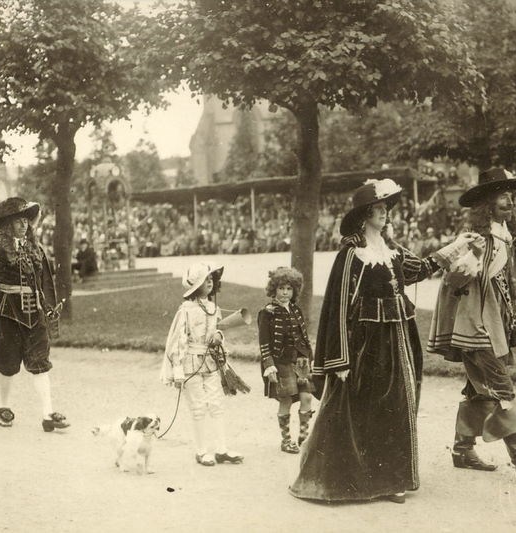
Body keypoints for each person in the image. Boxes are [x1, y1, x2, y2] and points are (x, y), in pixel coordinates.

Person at [289, 178, 443, 504]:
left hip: (398, 338)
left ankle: (392, 480)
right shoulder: (352, 254)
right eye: (378, 208)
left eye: (386, 208)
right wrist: (340, 359)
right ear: (364, 215)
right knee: (362, 407)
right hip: (366, 345)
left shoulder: (391, 250)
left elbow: (419, 269)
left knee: (397, 405)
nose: (384, 213)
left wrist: (452, 250)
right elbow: (339, 305)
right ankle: (357, 481)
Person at [427, 168, 516, 481]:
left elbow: (504, 289)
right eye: (503, 195)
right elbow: (452, 279)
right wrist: (468, 264)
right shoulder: (477, 239)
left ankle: (462, 449)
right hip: (474, 326)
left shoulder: (504, 237)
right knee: (501, 388)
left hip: (491, 323)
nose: (509, 200)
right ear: (487, 203)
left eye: (511, 195)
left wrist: (513, 327)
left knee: (479, 390)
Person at [0, 197, 70, 432]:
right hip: (6, 315)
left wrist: (47, 308)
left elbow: (44, 282)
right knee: (6, 363)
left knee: (40, 362)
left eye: (26, 221)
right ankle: (4, 407)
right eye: (18, 221)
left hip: (34, 315)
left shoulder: (36, 250)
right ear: (7, 225)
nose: (24, 225)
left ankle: (48, 415)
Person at [160, 262, 244, 466]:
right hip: (190, 362)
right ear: (195, 284)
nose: (210, 282)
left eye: (211, 279)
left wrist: (218, 334)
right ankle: (201, 451)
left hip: (210, 361)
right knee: (198, 407)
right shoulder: (186, 310)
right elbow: (179, 340)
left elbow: (217, 330)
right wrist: (178, 371)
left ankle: (222, 449)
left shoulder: (213, 308)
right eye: (205, 279)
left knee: (216, 404)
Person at [258, 267, 315, 454]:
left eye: (289, 289)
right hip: (280, 362)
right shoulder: (267, 313)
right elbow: (264, 343)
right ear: (273, 289)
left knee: (307, 397)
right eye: (281, 288)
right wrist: (269, 366)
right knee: (287, 399)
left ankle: (304, 437)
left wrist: (308, 357)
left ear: (294, 291)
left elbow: (303, 337)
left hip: (300, 362)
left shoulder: (296, 310)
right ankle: (286, 440)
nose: (285, 292)